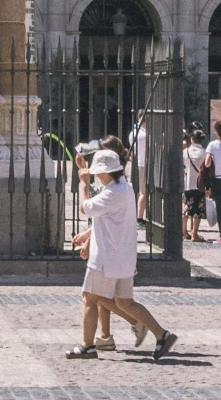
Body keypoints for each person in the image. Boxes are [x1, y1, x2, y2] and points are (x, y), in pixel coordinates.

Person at [64, 148, 177, 362]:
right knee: (125, 302)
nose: (96, 175)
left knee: (89, 298)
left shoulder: (112, 193)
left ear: (107, 172)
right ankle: (162, 335)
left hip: (106, 256)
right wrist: (88, 235)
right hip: (123, 256)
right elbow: (106, 217)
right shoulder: (124, 188)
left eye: (99, 172)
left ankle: (87, 346)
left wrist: (83, 183)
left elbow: (85, 208)